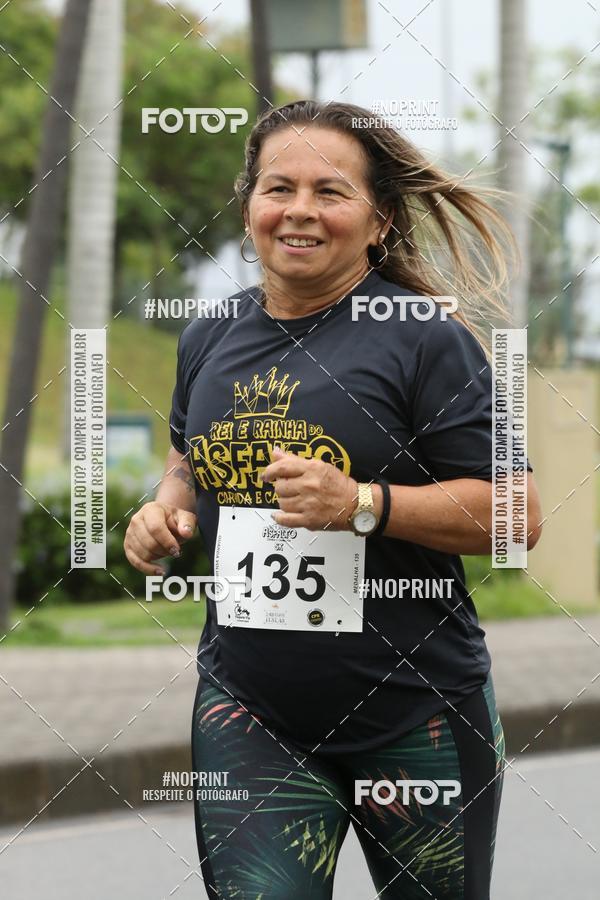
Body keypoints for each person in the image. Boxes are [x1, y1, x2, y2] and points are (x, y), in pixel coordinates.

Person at [124, 100, 543, 899]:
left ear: (379, 220)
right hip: (251, 713)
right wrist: (166, 506)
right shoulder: (210, 334)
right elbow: (188, 454)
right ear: (249, 204)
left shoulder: (425, 337)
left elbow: (517, 516)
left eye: (331, 191)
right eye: (279, 187)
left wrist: (363, 503)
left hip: (413, 714)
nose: (301, 210)